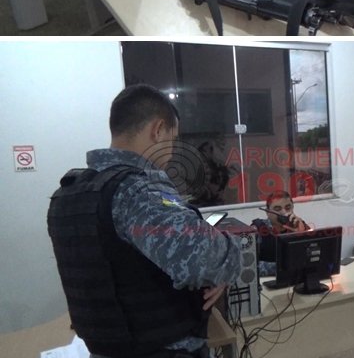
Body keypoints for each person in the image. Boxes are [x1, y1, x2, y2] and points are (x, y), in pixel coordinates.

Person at [47, 78, 245, 358]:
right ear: (158, 130)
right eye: (173, 140)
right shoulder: (136, 192)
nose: (172, 152)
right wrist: (226, 263)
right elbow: (206, 258)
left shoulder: (69, 193)